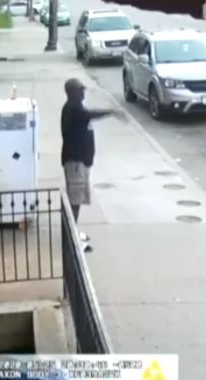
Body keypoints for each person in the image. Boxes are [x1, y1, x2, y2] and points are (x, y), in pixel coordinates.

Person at [61, 77, 118, 253]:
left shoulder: (76, 107)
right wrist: (111, 111)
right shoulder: (73, 109)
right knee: (75, 201)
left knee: (76, 199)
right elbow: (90, 115)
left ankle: (72, 231)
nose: (83, 92)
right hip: (75, 162)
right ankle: (70, 238)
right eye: (80, 90)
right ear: (72, 92)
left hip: (80, 161)